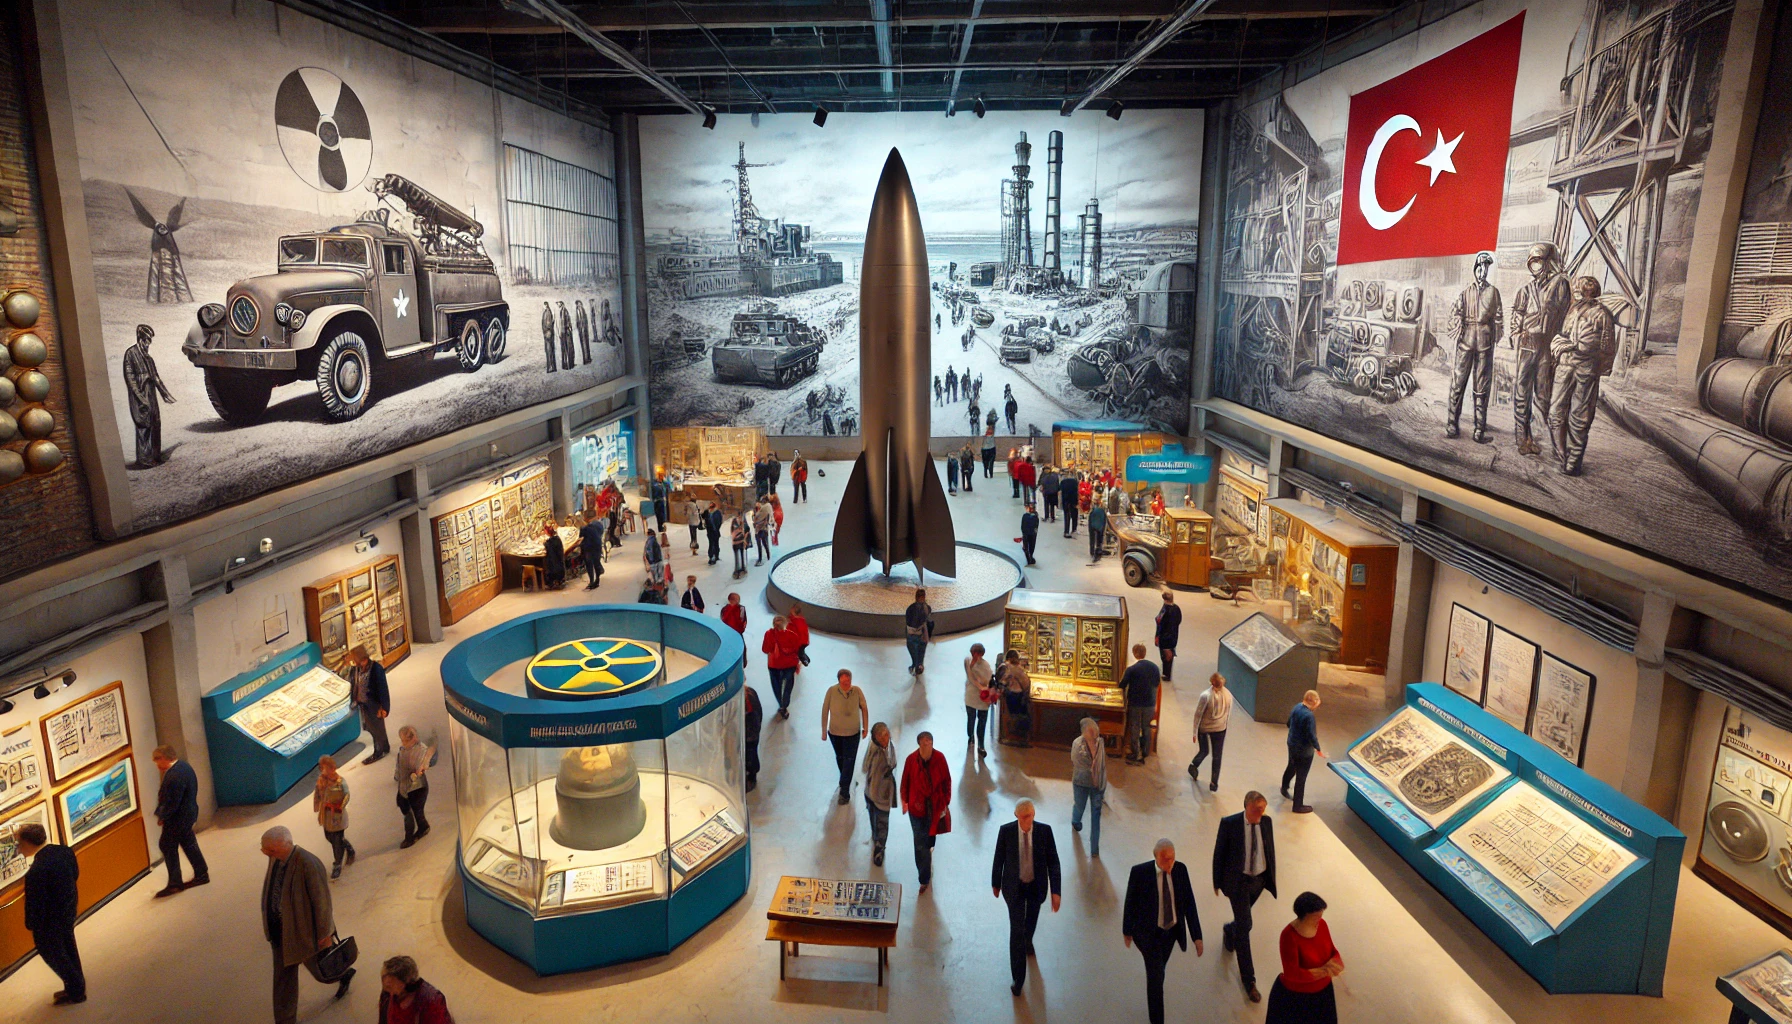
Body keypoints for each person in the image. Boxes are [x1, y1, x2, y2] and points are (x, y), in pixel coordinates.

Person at [260, 825, 352, 1023]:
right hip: (280, 935)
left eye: (269, 849)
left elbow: (322, 903)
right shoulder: (275, 859)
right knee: (283, 981)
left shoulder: (309, 864)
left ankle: (343, 973)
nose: (264, 852)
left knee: (321, 972)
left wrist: (325, 935)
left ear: (284, 846)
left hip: (303, 934)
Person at [1123, 838, 1202, 1024]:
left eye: (1172, 858)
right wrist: (1127, 930)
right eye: (1165, 859)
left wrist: (1197, 936)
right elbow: (1130, 902)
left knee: (1159, 971)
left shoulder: (1181, 870)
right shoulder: (1140, 873)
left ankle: (1157, 976)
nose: (1170, 863)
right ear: (1155, 856)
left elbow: (1189, 903)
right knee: (1156, 980)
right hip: (1148, 935)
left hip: (1171, 933)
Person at [1549, 275, 1618, 476]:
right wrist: (1560, 345)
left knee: (1580, 416)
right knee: (1555, 411)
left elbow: (1607, 346)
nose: (1577, 293)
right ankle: (1561, 453)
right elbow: (1563, 333)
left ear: (1590, 292)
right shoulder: (1572, 310)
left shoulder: (1602, 314)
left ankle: (1573, 460)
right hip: (1565, 366)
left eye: (1580, 289)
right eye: (1577, 290)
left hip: (1586, 369)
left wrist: (1596, 366)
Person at [992, 799, 1062, 996]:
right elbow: (999, 858)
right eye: (1023, 817)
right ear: (1016, 816)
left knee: (1030, 921)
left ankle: (1028, 939)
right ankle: (1019, 978)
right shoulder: (1006, 832)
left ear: (1034, 814)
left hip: (1035, 887)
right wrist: (996, 882)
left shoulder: (1044, 832)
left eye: (1030, 816)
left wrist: (1056, 891)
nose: (1027, 820)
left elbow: (1053, 862)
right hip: (1014, 888)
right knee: (1016, 932)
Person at [1214, 791, 1279, 1003]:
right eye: (1256, 809)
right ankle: (1249, 981)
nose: (1260, 813)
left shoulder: (1266, 822)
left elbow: (1269, 850)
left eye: (1263, 808)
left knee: (1242, 923)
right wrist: (1217, 881)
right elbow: (1219, 853)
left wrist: (1269, 876)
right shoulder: (1230, 824)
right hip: (1238, 882)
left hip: (1258, 881)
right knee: (1245, 926)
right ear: (1246, 807)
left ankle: (1229, 930)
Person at [1509, 241, 1572, 457]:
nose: (1535, 265)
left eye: (1539, 261)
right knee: (1521, 390)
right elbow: (1517, 315)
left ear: (1548, 262)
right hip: (1527, 345)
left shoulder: (1561, 283)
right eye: (1532, 261)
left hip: (1546, 346)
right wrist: (1516, 334)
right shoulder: (1526, 289)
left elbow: (1564, 316)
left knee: (1543, 394)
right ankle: (1522, 437)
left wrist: (1560, 343)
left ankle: (1540, 438)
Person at [18, 823, 83, 1005]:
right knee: (69, 947)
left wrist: (31, 924)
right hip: (68, 909)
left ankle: (76, 989)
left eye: (20, 844)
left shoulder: (36, 872)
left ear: (28, 843)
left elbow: (35, 905)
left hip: (49, 921)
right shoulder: (64, 851)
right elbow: (75, 874)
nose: (19, 848)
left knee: (54, 954)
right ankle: (75, 986)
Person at [1445, 250, 1503, 443]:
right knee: (1458, 383)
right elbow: (1454, 315)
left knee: (1481, 387)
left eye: (1486, 267)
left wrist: (1492, 337)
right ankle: (1452, 424)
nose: (1482, 271)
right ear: (1475, 269)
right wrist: (1458, 325)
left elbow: (1499, 319)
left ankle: (1479, 430)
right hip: (1466, 342)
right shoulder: (1465, 293)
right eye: (1480, 267)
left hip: (1485, 345)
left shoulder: (1493, 292)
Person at [1266, 893, 1342, 1024]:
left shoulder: (1322, 925)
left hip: (1323, 991)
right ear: (1303, 916)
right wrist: (1323, 971)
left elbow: (1332, 951)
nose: (1319, 919)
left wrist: (1336, 962)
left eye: (1321, 915)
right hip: (1297, 997)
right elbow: (1292, 974)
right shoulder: (1289, 936)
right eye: (1315, 917)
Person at [151, 744, 208, 896]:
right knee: (188, 843)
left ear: (164, 758)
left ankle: (175, 883)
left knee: (167, 846)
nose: (157, 765)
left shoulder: (173, 777)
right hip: (188, 814)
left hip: (178, 819)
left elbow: (171, 802)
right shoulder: (184, 766)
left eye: (157, 761)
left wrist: (162, 816)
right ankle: (202, 873)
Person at [899, 732, 952, 894]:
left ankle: (928, 851)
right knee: (919, 843)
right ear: (919, 745)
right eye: (924, 743)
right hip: (916, 809)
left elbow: (946, 781)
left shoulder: (940, 759)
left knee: (929, 839)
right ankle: (924, 878)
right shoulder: (911, 760)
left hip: (934, 808)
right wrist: (905, 801)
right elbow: (905, 782)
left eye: (929, 743)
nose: (927, 745)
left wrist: (946, 801)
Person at [123, 323, 176, 467]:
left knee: (155, 422)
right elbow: (130, 380)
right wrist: (141, 398)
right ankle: (144, 460)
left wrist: (166, 395)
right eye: (146, 341)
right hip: (140, 395)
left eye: (149, 341)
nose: (148, 344)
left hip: (151, 394)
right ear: (141, 339)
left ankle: (156, 456)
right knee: (143, 425)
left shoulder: (149, 358)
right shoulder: (130, 354)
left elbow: (157, 378)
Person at [822, 668, 870, 804]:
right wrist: (824, 730)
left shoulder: (857, 691)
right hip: (835, 733)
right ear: (839, 681)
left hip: (853, 733)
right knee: (841, 758)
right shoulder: (831, 691)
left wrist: (866, 727)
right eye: (843, 681)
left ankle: (844, 790)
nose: (846, 683)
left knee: (849, 759)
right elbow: (825, 709)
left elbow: (864, 708)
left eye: (848, 681)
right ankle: (847, 779)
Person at [1187, 672, 1233, 790]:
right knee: (1211, 753)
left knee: (1210, 753)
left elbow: (1198, 714)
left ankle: (1206, 776)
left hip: (1213, 728)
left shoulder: (1214, 695)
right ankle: (1209, 779)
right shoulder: (1212, 695)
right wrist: (1194, 731)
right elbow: (1199, 714)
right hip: (1214, 728)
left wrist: (1195, 731)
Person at [377, 955, 454, 1024]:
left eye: (389, 985)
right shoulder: (387, 996)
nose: (386, 988)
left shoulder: (432, 999)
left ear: (405, 982)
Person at [1069, 718, 1107, 856]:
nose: (1095, 735)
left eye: (1096, 732)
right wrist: (1093, 769)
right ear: (1084, 733)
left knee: (1096, 815)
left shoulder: (1100, 742)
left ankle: (1094, 849)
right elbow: (1078, 763)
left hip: (1097, 786)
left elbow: (1102, 764)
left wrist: (1102, 782)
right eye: (1092, 732)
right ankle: (1075, 820)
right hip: (1081, 783)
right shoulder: (1077, 744)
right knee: (1080, 806)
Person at [1282, 691, 1325, 814]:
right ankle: (1298, 805)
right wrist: (1318, 748)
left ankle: (1284, 787)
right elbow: (1311, 735)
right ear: (1314, 702)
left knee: (1291, 766)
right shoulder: (1309, 716)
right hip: (1304, 751)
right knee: (1301, 777)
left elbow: (1288, 723)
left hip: (1292, 744)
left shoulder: (1296, 707)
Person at [347, 646, 391, 765]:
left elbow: (383, 689)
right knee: (370, 727)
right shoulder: (356, 669)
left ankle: (379, 750)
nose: (353, 661)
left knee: (376, 728)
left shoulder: (376, 669)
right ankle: (385, 746)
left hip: (374, 704)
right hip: (363, 704)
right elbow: (354, 683)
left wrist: (385, 707)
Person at [313, 755, 354, 880]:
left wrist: (341, 806)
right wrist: (316, 806)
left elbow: (347, 795)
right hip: (326, 816)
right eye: (322, 768)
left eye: (325, 768)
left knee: (336, 842)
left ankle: (337, 864)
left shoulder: (340, 782)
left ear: (332, 768)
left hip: (337, 816)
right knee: (329, 837)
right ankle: (347, 847)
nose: (323, 771)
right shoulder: (321, 781)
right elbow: (317, 794)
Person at [862, 722, 897, 866]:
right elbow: (865, 767)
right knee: (874, 818)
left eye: (887, 734)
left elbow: (893, 762)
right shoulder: (874, 750)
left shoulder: (889, 747)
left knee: (882, 821)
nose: (886, 738)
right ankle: (876, 837)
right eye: (883, 736)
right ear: (876, 737)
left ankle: (880, 847)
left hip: (883, 794)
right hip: (872, 792)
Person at [1121, 644, 1160, 765]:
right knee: (1146, 727)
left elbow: (1122, 685)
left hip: (1135, 703)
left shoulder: (1131, 669)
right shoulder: (1154, 668)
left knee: (1135, 727)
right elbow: (1157, 683)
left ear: (1134, 653)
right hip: (1150, 704)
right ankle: (1145, 753)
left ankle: (1135, 752)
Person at [394, 726, 432, 848]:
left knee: (415, 811)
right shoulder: (403, 750)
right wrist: (397, 775)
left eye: (405, 740)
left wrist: (415, 774)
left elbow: (420, 767)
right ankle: (423, 826)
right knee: (406, 808)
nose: (402, 743)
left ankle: (411, 836)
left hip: (417, 789)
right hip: (404, 787)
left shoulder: (421, 750)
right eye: (402, 740)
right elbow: (399, 764)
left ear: (413, 739)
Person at [762, 615, 801, 719]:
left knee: (777, 686)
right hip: (788, 665)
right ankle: (784, 705)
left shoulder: (769, 634)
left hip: (774, 665)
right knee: (787, 686)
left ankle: (782, 705)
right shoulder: (792, 635)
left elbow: (765, 650)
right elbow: (798, 650)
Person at [962, 643, 996, 758]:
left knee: (978, 721)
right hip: (975, 696)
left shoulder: (984, 665)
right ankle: (973, 739)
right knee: (975, 720)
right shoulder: (969, 661)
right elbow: (983, 679)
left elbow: (986, 679)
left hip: (981, 697)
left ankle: (978, 743)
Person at [1000, 650, 1031, 746]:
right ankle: (1022, 737)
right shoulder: (1020, 669)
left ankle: (1011, 737)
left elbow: (1002, 681)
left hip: (1012, 694)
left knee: (1012, 715)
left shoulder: (1008, 668)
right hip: (1021, 695)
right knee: (1021, 715)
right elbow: (1026, 682)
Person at [904, 589, 933, 676]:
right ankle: (919, 665)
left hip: (913, 634)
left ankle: (915, 665)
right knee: (921, 651)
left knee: (914, 651)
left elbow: (908, 621)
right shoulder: (927, 608)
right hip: (923, 634)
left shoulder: (911, 608)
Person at [1155, 591, 1181, 682]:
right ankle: (1166, 673)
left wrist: (1167, 646)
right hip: (1171, 638)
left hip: (1166, 640)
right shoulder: (1176, 608)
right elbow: (1178, 621)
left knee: (1166, 657)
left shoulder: (1167, 610)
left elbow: (1165, 625)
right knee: (1167, 658)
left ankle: (1167, 674)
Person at [744, 685, 763, 793]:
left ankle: (752, 775)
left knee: (751, 754)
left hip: (750, 732)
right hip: (749, 732)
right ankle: (750, 774)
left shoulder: (750, 696)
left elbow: (757, 714)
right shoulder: (750, 693)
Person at [579, 514, 606, 589]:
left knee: (589, 564)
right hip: (597, 546)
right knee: (596, 563)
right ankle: (597, 580)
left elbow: (580, 536)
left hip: (589, 547)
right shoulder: (599, 525)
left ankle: (591, 581)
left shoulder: (585, 528)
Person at [721, 592, 748, 664]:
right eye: (736, 599)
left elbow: (744, 621)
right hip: (730, 634)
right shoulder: (725, 609)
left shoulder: (741, 609)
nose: (738, 601)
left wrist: (741, 630)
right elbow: (723, 620)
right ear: (730, 600)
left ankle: (742, 664)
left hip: (737, 633)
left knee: (742, 649)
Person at [541, 523, 566, 590]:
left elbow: (547, 549)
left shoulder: (549, 542)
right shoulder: (557, 539)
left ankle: (551, 583)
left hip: (552, 564)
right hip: (560, 563)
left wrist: (544, 543)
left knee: (547, 565)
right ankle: (559, 581)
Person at [752, 498, 772, 566]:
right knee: (764, 543)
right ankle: (768, 556)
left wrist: (756, 524)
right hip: (763, 529)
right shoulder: (764, 511)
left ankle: (760, 558)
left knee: (760, 544)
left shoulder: (758, 513)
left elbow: (754, 522)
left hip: (759, 530)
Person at [1059, 470, 1080, 537]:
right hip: (1073, 500)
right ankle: (1074, 529)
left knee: (1067, 516)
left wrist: (1060, 503)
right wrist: (1077, 502)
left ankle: (1066, 531)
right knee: (1074, 515)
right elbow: (1077, 491)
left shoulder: (1062, 482)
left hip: (1065, 500)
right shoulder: (1075, 482)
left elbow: (1060, 491)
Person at [729, 511, 750, 578]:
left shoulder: (736, 522)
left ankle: (740, 569)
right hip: (737, 542)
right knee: (738, 556)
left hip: (739, 542)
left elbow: (747, 531)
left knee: (740, 555)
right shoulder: (740, 522)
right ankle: (739, 569)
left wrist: (745, 540)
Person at [540, 301, 557, 372]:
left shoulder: (547, 313)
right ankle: (550, 367)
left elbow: (548, 324)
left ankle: (551, 367)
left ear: (546, 305)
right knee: (548, 350)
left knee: (549, 350)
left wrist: (547, 332)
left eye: (544, 305)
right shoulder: (546, 312)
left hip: (548, 334)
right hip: (547, 333)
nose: (543, 307)